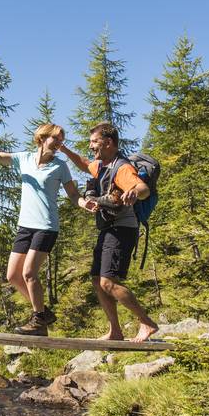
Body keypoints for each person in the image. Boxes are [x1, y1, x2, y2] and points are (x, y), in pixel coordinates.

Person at [0, 118, 96, 335]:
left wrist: (84, 203)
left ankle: (38, 322)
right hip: (25, 226)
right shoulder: (24, 159)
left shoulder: (60, 166)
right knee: (12, 276)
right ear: (42, 137)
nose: (59, 143)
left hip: (46, 226)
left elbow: (73, 195)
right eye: (56, 138)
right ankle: (43, 314)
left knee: (29, 273)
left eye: (62, 140)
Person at [59, 122, 159, 343]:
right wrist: (64, 150)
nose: (91, 145)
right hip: (108, 228)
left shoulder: (121, 168)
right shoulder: (102, 165)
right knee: (97, 280)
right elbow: (84, 164)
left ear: (109, 142)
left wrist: (134, 192)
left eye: (95, 141)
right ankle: (115, 330)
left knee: (107, 282)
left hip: (122, 229)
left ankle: (147, 322)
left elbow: (143, 188)